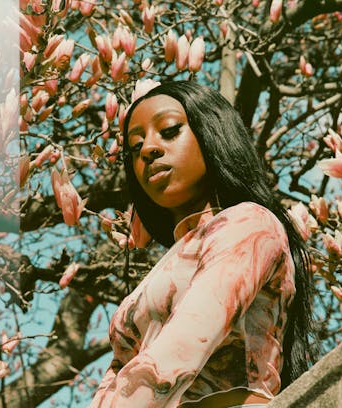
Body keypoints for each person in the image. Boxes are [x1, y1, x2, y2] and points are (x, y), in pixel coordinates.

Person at [90, 81, 316, 408]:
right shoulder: (158, 273)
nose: (149, 150)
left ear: (211, 132)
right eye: (136, 147)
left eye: (169, 131)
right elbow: (115, 378)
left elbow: (186, 340)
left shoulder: (249, 224)